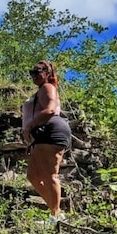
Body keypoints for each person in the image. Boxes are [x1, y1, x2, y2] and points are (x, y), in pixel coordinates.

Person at [21, 60, 72, 224]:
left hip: (50, 132)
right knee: (33, 175)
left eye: (38, 71)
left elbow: (50, 109)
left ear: (48, 73)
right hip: (40, 135)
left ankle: (56, 215)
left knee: (50, 174)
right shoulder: (41, 90)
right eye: (32, 72)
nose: (34, 75)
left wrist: (29, 127)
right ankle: (56, 210)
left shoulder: (48, 87)